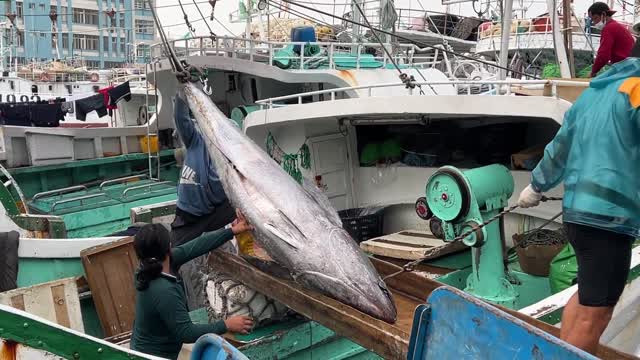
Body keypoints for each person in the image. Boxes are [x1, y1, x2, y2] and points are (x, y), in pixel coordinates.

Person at [517, 54, 640, 354]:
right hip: (610, 218)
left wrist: (536, 186)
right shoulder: (636, 90)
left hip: (577, 215)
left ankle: (559, 352)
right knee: (596, 312)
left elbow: (560, 147)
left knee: (586, 297)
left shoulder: (595, 91)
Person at [130, 219, 254, 360]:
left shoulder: (146, 269)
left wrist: (231, 231)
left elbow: (195, 247)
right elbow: (186, 332)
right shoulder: (164, 290)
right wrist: (226, 324)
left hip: (141, 350)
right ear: (169, 248)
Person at [172, 88, 237, 311]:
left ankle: (231, 294)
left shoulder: (230, 152)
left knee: (226, 254)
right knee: (178, 260)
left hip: (216, 212)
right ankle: (192, 308)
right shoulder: (195, 139)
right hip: (188, 215)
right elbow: (181, 118)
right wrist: (182, 93)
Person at [588, 2, 634, 77]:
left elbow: (603, 55)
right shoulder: (617, 26)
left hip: (624, 69)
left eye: (595, 18)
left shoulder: (609, 28)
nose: (594, 22)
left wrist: (593, 72)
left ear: (603, 14)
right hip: (630, 67)